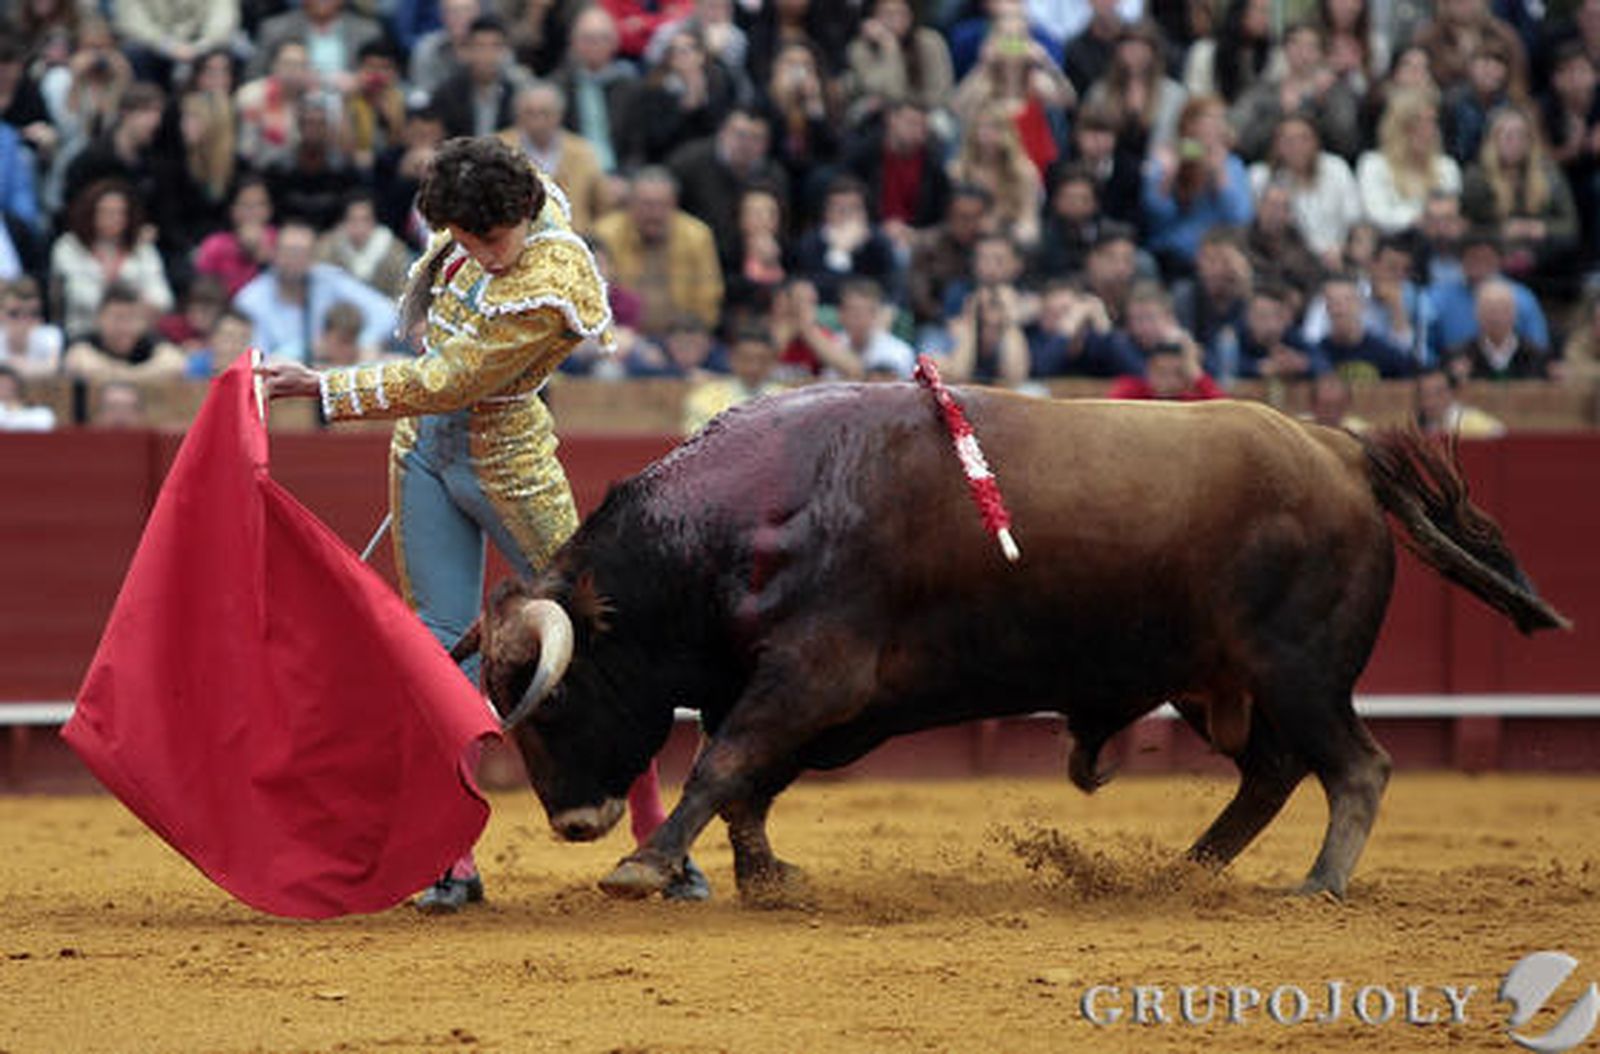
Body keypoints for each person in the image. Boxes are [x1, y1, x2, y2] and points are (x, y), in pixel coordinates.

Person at [256, 136, 707, 911]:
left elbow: (449, 377)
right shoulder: (482, 210)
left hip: (510, 468)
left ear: (525, 214)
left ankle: (658, 842)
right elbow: (436, 379)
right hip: (425, 455)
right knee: (437, 645)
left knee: (598, 641)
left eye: (489, 241)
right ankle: (452, 856)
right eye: (462, 240)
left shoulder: (551, 283)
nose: (478, 255)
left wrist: (324, 388)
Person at [233, 218, 398, 364]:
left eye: (302, 253)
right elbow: (258, 362)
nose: (295, 260)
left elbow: (386, 312)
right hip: (282, 388)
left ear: (313, 257)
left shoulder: (328, 279)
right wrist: (307, 349)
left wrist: (360, 344)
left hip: (331, 376)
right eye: (289, 252)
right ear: (274, 253)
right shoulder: (250, 300)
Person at [680, 326, 785, 433]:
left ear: (773, 362)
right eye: (746, 359)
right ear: (731, 359)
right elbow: (696, 442)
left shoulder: (785, 399)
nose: (753, 367)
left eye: (762, 360)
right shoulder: (704, 397)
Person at [1414, 364, 1506, 436]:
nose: (1431, 401)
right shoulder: (1418, 430)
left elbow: (1501, 435)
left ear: (1452, 393)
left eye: (1439, 393)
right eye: (1425, 394)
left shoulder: (1471, 421)